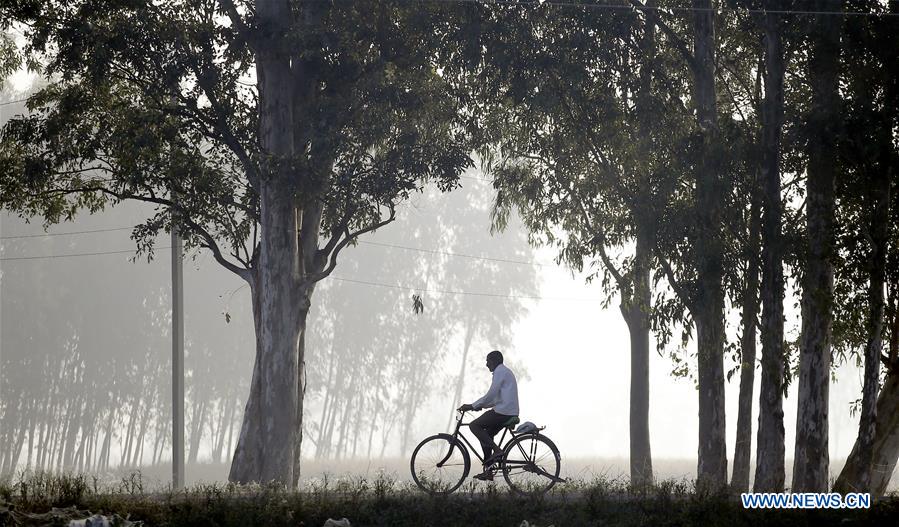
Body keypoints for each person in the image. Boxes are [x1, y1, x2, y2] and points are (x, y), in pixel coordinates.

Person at [458, 350, 519, 481]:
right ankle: (489, 470)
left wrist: (472, 405)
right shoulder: (503, 372)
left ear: (495, 360)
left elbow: (491, 395)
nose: (486, 364)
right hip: (506, 410)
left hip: (504, 412)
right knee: (486, 436)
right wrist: (479, 405)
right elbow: (495, 398)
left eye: (488, 361)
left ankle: (497, 450)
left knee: (474, 425)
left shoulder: (500, 372)